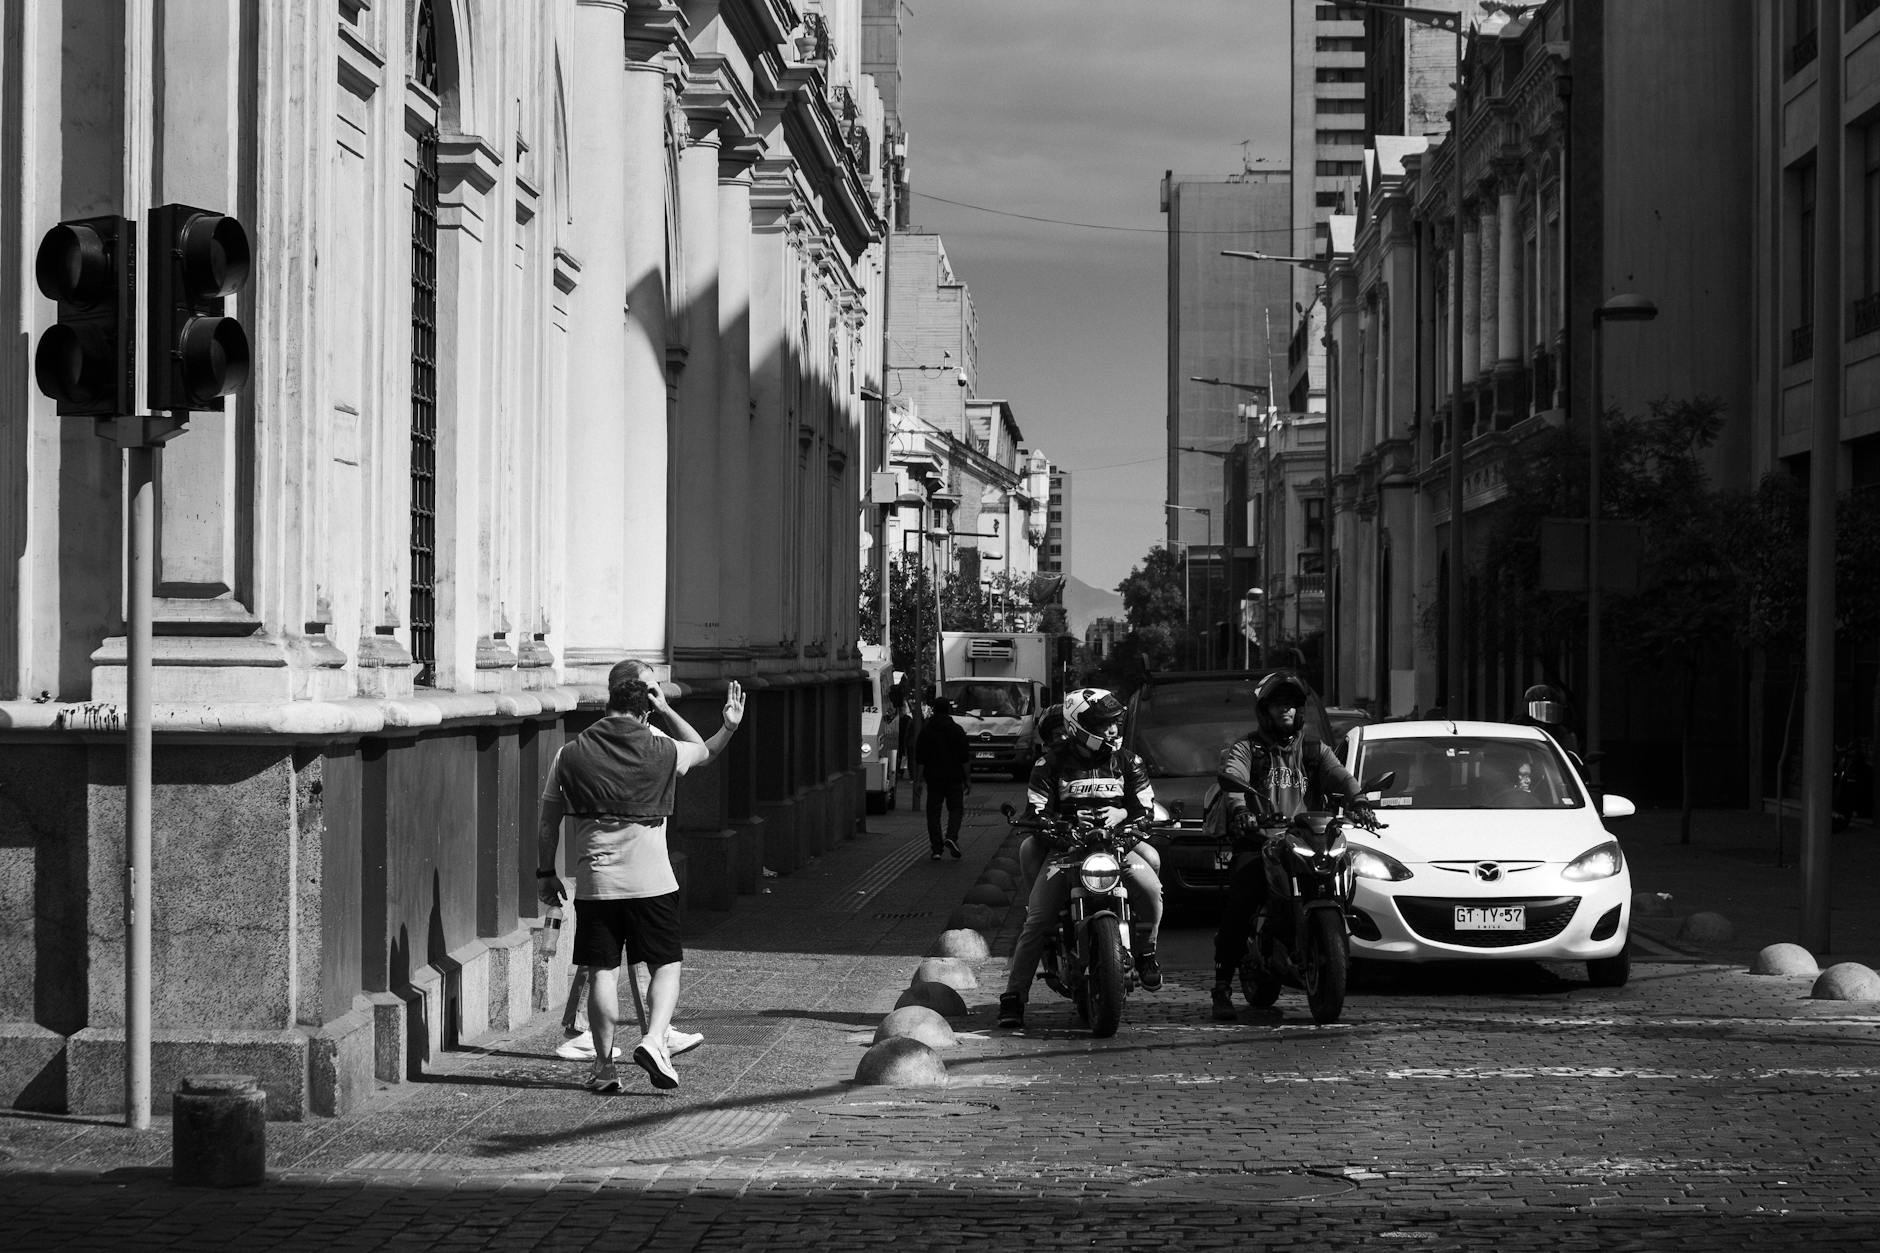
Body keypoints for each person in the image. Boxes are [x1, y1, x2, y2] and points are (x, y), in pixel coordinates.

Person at [537, 661, 744, 1092]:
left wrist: (545, 874)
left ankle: (603, 1068)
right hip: (653, 883)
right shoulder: (663, 748)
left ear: (607, 700)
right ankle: (654, 1039)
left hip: (596, 885)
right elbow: (705, 751)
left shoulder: (569, 753)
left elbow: (546, 824)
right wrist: (722, 726)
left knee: (602, 974)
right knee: (666, 965)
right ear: (644, 707)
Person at [1208, 671, 1373, 1022]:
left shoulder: (1314, 750)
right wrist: (1240, 811)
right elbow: (1233, 781)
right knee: (1241, 899)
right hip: (1262, 841)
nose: (1286, 710)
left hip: (1309, 839)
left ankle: (1336, 950)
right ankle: (1221, 986)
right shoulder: (1247, 749)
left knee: (1346, 878)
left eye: (1292, 705)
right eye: (1278, 704)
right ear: (1265, 710)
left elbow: (1340, 776)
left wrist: (1358, 800)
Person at [998, 687, 1165, 1029]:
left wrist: (1122, 816)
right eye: (1103, 725)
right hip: (1066, 853)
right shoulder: (1049, 764)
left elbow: (1145, 809)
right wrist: (1066, 825)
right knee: (1037, 919)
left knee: (1152, 893)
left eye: (1115, 723)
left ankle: (1147, 953)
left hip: (1117, 848)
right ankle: (1014, 997)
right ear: (1078, 727)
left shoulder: (1129, 762)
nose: (1113, 730)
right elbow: (1037, 812)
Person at [916, 695, 972, 859]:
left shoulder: (926, 731)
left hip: (933, 778)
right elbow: (964, 758)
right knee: (956, 809)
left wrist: (918, 781)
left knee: (933, 812)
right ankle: (951, 837)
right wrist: (967, 779)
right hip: (954, 777)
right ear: (948, 710)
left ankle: (936, 849)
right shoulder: (957, 730)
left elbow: (920, 759)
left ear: (933, 709)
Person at [1519, 683, 1581, 756]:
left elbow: (1572, 759)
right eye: (1541, 708)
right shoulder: (1518, 730)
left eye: (1549, 709)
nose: (1546, 712)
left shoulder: (1564, 735)